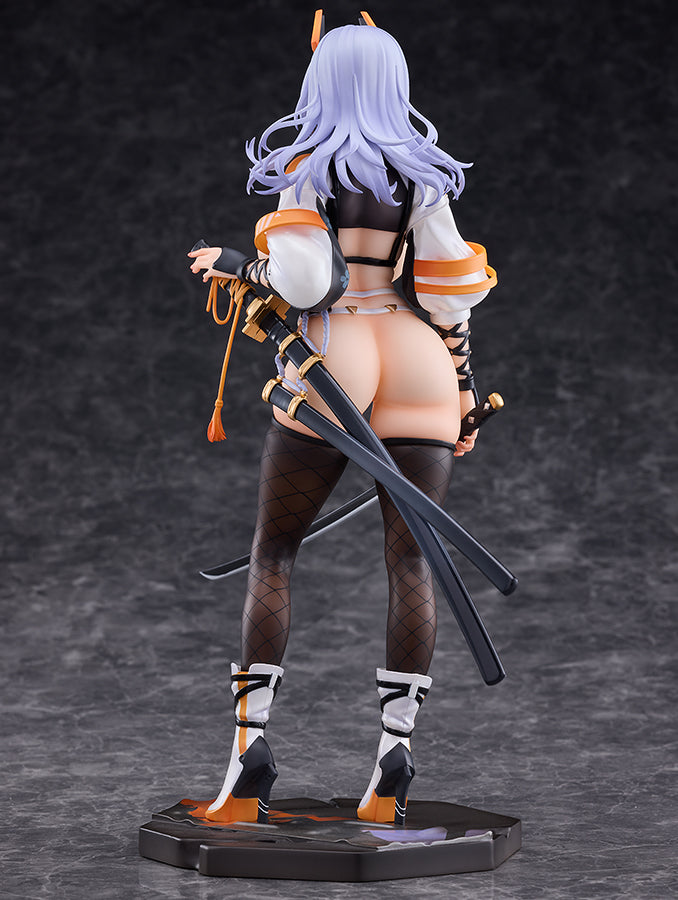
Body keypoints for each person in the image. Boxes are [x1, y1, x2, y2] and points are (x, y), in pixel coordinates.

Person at [188, 15, 497, 827]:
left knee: (275, 553)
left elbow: (299, 281)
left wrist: (235, 263)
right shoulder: (421, 181)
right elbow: (449, 298)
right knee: (412, 563)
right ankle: (393, 762)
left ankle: (248, 762)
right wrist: (463, 391)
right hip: (419, 359)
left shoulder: (307, 170)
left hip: (338, 355)